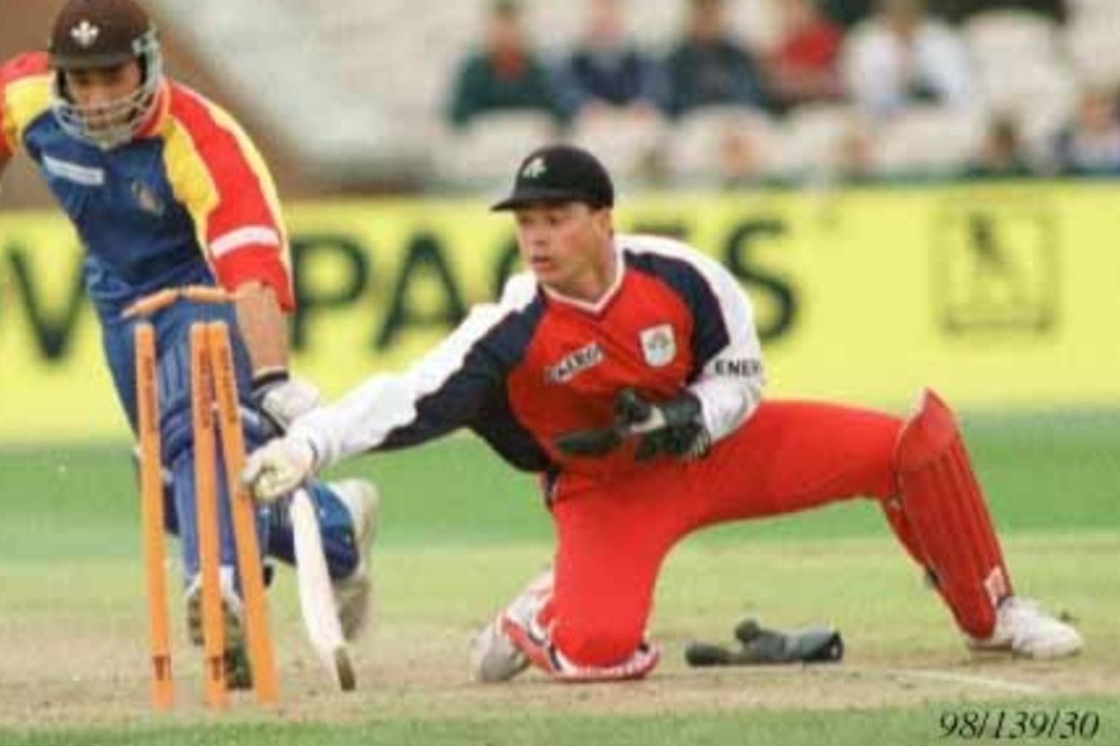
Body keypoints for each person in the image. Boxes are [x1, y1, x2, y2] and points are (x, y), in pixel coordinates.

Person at [242, 144, 1083, 683]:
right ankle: (544, 613)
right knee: (599, 659)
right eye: (526, 223)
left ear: (603, 220)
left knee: (915, 441)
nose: (536, 238)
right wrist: (310, 447)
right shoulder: (510, 327)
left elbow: (743, 375)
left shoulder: (679, 276)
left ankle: (994, 614)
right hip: (607, 491)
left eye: (556, 219)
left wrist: (688, 417)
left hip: (724, 451)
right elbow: (408, 396)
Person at [0, 0, 380, 687]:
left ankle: (219, 585)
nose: (98, 98)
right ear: (58, 74)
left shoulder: (200, 140)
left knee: (199, 426)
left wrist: (272, 382)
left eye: (114, 76)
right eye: (83, 80)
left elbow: (253, 272)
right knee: (169, 486)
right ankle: (337, 527)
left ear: (148, 63)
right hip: (118, 299)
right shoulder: (28, 96)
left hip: (205, 282)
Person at [842, 0, 974, 118]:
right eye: (895, 12)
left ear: (920, 11)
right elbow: (861, 93)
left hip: (936, 115)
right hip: (886, 118)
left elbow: (959, 89)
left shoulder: (942, 40)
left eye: (908, 11)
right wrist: (896, 80)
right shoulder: (867, 43)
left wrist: (922, 76)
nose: (903, 18)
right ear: (884, 15)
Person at [447, 0, 570, 129]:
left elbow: (561, 115)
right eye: (499, 29)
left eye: (510, 28)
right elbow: (457, 117)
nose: (505, 35)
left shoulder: (539, 70)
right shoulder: (473, 71)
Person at [663, 0, 767, 118]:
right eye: (704, 12)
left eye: (714, 12)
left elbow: (752, 101)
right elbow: (673, 106)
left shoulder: (741, 57)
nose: (709, 20)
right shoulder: (675, 61)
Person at [562, 0, 664, 118]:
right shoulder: (571, 62)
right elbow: (565, 95)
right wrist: (583, 106)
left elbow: (655, 92)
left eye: (611, 8)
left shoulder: (643, 60)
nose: (605, 15)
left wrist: (645, 104)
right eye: (599, 8)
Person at [764, 0, 844, 112]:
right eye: (785, 8)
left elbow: (835, 83)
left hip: (825, 109)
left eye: (796, 6)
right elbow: (773, 84)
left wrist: (801, 80)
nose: (791, 14)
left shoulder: (829, 39)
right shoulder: (780, 45)